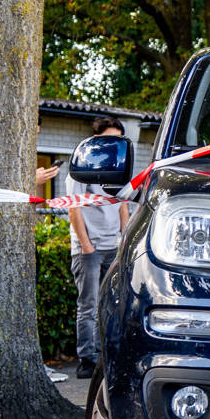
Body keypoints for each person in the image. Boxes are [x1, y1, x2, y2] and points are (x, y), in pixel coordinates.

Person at [61, 117, 132, 378]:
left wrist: (123, 239)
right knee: (88, 304)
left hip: (113, 247)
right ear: (96, 139)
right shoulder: (82, 165)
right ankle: (87, 359)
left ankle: (107, 354)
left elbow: (123, 204)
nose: (113, 144)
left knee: (113, 304)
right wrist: (87, 246)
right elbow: (73, 206)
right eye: (108, 138)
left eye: (118, 139)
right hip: (88, 249)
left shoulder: (121, 167)